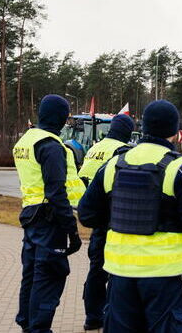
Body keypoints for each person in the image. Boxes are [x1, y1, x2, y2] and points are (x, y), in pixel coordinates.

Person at [78, 100, 182, 332]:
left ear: (143, 129)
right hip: (166, 280)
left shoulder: (113, 165)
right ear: (175, 131)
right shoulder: (181, 169)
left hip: (119, 277)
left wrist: (121, 218)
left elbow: (87, 214)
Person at [13, 94, 86, 333]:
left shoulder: (26, 140)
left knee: (32, 275)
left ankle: (27, 324)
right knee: (50, 276)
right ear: (60, 118)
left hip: (31, 216)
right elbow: (57, 194)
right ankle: (39, 329)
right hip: (48, 219)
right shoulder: (52, 146)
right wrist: (72, 231)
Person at [77, 114, 135, 331]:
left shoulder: (95, 148)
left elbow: (81, 178)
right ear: (127, 132)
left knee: (95, 270)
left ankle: (92, 317)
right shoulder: (122, 152)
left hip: (94, 216)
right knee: (114, 272)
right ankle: (109, 315)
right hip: (114, 218)